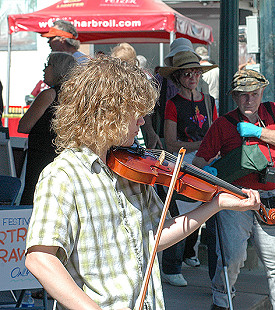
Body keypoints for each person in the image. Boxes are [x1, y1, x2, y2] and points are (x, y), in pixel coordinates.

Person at [24, 56, 261, 310]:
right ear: (106, 114)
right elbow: (40, 259)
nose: (141, 121)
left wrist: (215, 205)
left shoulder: (132, 172)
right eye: (134, 113)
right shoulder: (62, 176)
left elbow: (156, 236)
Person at [193, 69, 275, 310]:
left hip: (269, 200)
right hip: (234, 199)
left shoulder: (272, 112)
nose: (248, 99)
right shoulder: (222, 124)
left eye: (253, 93)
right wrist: (209, 171)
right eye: (242, 95)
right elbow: (199, 160)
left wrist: (259, 132)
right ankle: (221, 302)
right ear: (234, 97)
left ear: (262, 92)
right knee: (232, 259)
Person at [157, 50, 218, 287]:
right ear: (178, 77)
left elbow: (214, 132)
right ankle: (171, 267)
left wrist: (208, 149)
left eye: (196, 72)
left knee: (208, 212)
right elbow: (170, 141)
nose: (193, 77)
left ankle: (190, 255)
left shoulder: (209, 101)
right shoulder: (172, 104)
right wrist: (201, 145)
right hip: (182, 164)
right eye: (187, 73)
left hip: (207, 162)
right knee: (180, 215)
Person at [18, 52, 77, 205]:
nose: (44, 70)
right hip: (66, 160)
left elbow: (23, 126)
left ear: (58, 68)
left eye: (48, 65)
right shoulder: (77, 97)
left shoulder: (49, 95)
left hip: (41, 161)